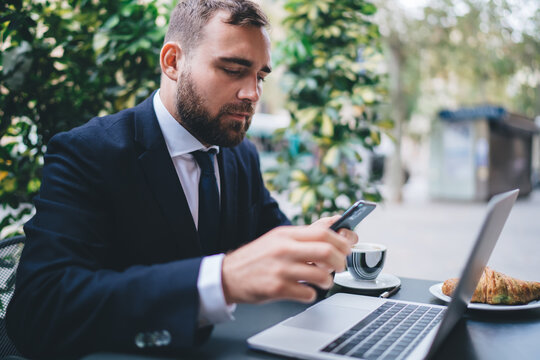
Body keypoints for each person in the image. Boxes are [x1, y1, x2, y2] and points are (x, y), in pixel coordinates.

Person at [6, 0, 358, 358]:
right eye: (234, 70)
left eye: (260, 77)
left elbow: (269, 239)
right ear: (173, 62)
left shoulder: (241, 154)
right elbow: (39, 312)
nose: (252, 93)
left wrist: (311, 253)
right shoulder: (88, 153)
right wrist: (222, 279)